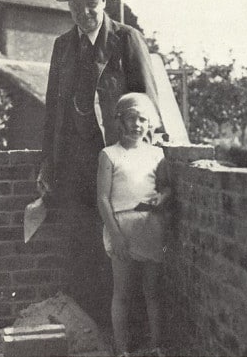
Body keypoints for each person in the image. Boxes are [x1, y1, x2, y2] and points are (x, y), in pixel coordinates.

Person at [38, 0, 165, 325]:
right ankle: (93, 333)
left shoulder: (126, 40)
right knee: (84, 249)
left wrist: (149, 160)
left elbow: (148, 104)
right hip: (76, 165)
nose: (84, 13)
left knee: (125, 248)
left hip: (121, 164)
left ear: (103, 1)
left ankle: (132, 338)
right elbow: (53, 110)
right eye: (76, 6)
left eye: (90, 4)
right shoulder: (62, 46)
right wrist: (48, 163)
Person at [97, 93, 169, 356]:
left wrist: (162, 199)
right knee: (123, 293)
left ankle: (157, 346)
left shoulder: (156, 154)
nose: (137, 124)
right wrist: (115, 235)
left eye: (142, 119)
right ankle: (122, 349)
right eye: (131, 118)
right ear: (120, 121)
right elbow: (102, 198)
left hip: (150, 227)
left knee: (153, 291)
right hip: (122, 227)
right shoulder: (109, 155)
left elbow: (165, 188)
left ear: (149, 124)